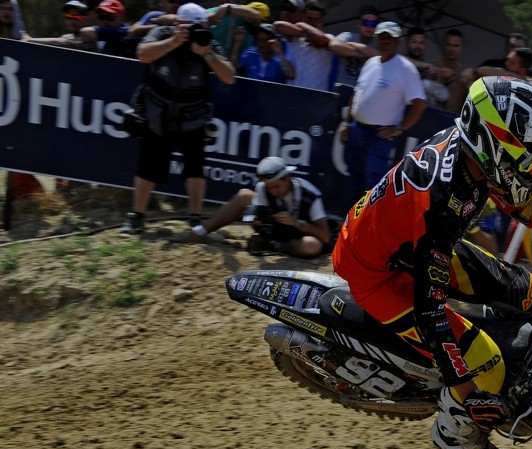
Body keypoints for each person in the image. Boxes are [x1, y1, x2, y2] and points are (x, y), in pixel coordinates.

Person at [332, 77, 532, 449]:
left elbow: (529, 208)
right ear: (495, 142)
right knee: (486, 368)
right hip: (377, 272)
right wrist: (470, 391)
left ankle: (486, 354)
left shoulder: (477, 158)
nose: (530, 164)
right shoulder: (443, 196)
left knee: (531, 296)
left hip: (407, 244)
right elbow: (430, 311)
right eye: (525, 153)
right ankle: (456, 434)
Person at [122, 2, 237, 235]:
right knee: (148, 166)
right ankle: (137, 216)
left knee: (195, 167)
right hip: (157, 111)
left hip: (193, 115)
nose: (194, 31)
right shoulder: (162, 33)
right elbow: (142, 54)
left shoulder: (207, 42)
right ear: (178, 24)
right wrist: (173, 42)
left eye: (199, 27)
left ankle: (195, 217)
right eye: (189, 27)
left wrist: (207, 55)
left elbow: (229, 77)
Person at [337, 21, 426, 208]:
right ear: (377, 38)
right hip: (357, 129)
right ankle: (350, 221)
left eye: (390, 37)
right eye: (382, 36)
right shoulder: (370, 63)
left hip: (379, 136)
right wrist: (346, 122)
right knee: (354, 177)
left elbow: (419, 103)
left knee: (373, 183)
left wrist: (400, 128)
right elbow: (357, 93)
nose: (385, 40)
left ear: (397, 41)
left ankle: (367, 223)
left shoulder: (405, 68)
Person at [171, 156, 331, 257]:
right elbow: (258, 226)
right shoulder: (263, 188)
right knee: (244, 195)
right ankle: (199, 232)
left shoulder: (310, 194)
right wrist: (257, 223)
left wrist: (295, 222)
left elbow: (325, 236)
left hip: (301, 233)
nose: (273, 191)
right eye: (269, 187)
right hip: (277, 230)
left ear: (288, 177)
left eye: (276, 186)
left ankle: (277, 246)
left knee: (311, 246)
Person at [273, 2, 338, 92]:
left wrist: (308, 31)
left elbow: (320, 38)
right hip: (293, 92)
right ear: (303, 17)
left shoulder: (329, 38)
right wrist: (305, 31)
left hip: (316, 95)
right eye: (309, 18)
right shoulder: (296, 37)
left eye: (316, 19)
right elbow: (277, 25)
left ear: (321, 21)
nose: (312, 22)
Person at [332, 4, 379, 87]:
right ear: (359, 23)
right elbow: (335, 45)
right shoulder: (348, 36)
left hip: (362, 90)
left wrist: (353, 45)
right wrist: (364, 53)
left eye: (373, 23)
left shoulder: (378, 43)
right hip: (341, 87)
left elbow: (381, 55)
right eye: (366, 22)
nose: (369, 26)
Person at [22, 1, 99, 51]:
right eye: (69, 17)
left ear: (85, 19)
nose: (72, 21)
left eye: (77, 17)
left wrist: (31, 40)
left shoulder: (89, 38)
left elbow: (63, 42)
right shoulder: (66, 37)